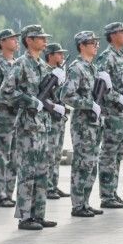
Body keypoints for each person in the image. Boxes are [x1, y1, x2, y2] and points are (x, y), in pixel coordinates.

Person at [9, 24, 56, 231]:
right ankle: (24, 217)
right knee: (27, 173)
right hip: (27, 127)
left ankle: (38, 214)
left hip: (43, 125)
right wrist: (30, 101)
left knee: (42, 172)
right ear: (29, 40)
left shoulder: (44, 66)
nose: (45, 41)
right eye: (40, 37)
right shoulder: (20, 64)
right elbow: (6, 92)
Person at [96, 21, 123, 209]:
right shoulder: (107, 58)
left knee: (118, 156)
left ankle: (113, 192)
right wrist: (117, 97)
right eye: (122, 32)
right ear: (113, 35)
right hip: (112, 115)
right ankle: (106, 196)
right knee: (108, 155)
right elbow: (100, 87)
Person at [61, 31, 104, 219]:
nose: (96, 46)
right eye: (92, 43)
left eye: (96, 43)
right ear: (82, 46)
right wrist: (89, 104)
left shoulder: (92, 68)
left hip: (95, 124)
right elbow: (66, 95)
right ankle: (78, 205)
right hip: (83, 125)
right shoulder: (76, 68)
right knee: (82, 164)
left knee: (92, 165)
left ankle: (85, 202)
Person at [0, 29, 20, 208]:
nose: (16, 41)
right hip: (3, 119)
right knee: (0, 158)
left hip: (18, 119)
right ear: (2, 42)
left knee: (14, 158)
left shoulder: (18, 63)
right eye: (12, 39)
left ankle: (8, 193)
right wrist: (11, 101)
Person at [42, 42, 70, 200]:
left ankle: (53, 184)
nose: (62, 56)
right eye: (59, 54)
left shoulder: (60, 72)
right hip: (50, 118)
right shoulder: (46, 71)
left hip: (59, 119)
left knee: (57, 155)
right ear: (50, 55)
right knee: (49, 154)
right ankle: (47, 186)